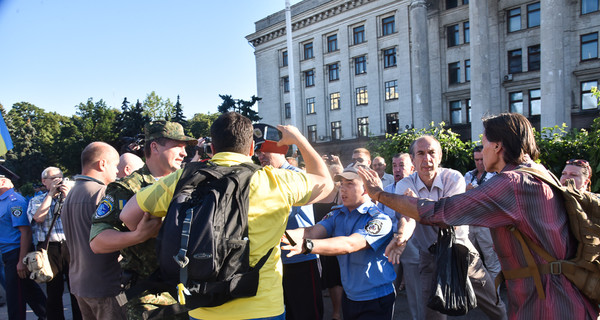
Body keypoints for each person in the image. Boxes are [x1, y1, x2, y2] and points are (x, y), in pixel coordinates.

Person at [359, 113, 600, 319]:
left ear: (498, 146)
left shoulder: (511, 183)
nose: (481, 150)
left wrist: (379, 194)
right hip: (556, 297)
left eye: (483, 142)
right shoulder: (537, 172)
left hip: (547, 302)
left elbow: (441, 212)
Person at [119, 112, 334, 320]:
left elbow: (128, 216)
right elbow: (326, 183)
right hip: (261, 307)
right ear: (251, 148)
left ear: (213, 148)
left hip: (202, 307)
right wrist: (299, 139)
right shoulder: (276, 181)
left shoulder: (184, 178)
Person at [382, 135, 506, 320]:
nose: (427, 159)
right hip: (430, 257)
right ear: (413, 160)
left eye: (432, 153)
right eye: (421, 153)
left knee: (494, 306)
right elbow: (408, 219)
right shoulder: (404, 185)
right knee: (432, 314)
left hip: (462, 253)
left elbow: (448, 217)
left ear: (440, 156)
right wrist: (401, 237)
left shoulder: (453, 177)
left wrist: (415, 205)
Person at [89, 121, 196, 320]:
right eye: (177, 146)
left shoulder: (189, 183)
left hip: (189, 294)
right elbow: (97, 241)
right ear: (154, 147)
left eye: (185, 148)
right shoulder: (127, 188)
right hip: (151, 298)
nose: (184, 153)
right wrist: (137, 236)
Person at [283, 164, 396, 320]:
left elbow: (350, 244)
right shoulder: (337, 214)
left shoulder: (378, 219)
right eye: (341, 184)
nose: (343, 189)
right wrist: (277, 236)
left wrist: (307, 246)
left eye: (350, 184)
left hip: (375, 299)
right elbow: (311, 232)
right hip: (350, 297)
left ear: (366, 189)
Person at [255, 147, 323, 320]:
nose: (260, 156)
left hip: (299, 256)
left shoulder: (295, 176)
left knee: (306, 312)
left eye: (264, 150)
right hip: (276, 260)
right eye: (257, 152)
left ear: (281, 150)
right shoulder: (265, 177)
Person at [61, 142, 126, 320]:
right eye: (115, 166)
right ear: (102, 164)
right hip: (105, 284)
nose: (117, 172)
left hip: (80, 283)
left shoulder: (71, 194)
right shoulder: (102, 193)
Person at [27, 166, 82, 320]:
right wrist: (50, 195)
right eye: (54, 178)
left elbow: (80, 217)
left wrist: (67, 195)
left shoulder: (71, 196)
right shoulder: (36, 200)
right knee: (53, 291)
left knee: (76, 289)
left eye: (60, 177)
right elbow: (38, 218)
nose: (58, 180)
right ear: (44, 181)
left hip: (71, 246)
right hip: (49, 249)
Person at [377, 153, 421, 320]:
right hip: (390, 245)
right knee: (387, 290)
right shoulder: (386, 192)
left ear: (412, 168)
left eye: (401, 165)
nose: (397, 170)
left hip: (412, 244)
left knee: (416, 291)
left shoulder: (417, 190)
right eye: (394, 166)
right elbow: (379, 217)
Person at [0, 165, 47, 320]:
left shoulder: (14, 201)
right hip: (7, 253)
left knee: (15, 296)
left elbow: (25, 232)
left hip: (16, 252)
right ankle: (46, 313)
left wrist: (21, 261)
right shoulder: (3, 201)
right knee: (27, 289)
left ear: (3, 182)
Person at [463, 146, 501, 280]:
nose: (479, 162)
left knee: (492, 261)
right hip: (469, 222)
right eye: (476, 159)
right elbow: (459, 198)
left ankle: (494, 297)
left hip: (486, 223)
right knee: (471, 261)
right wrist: (465, 191)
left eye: (481, 159)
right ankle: (479, 295)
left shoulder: (496, 175)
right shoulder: (468, 175)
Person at [312, 163, 344, 320]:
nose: (337, 177)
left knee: (337, 277)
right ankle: (336, 311)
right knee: (330, 278)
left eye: (339, 174)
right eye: (334, 174)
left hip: (337, 239)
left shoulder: (343, 193)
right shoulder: (318, 193)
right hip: (320, 238)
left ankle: (338, 311)